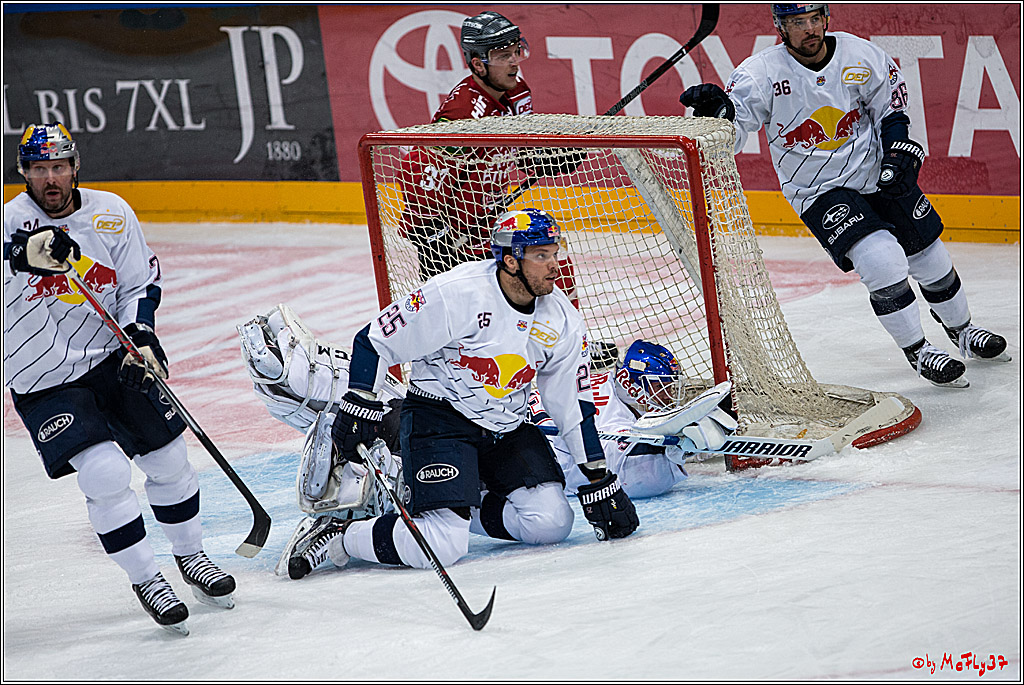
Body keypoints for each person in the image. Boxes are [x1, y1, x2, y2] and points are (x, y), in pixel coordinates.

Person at [283, 208, 639, 579]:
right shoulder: (456, 294)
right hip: (441, 421)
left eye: (554, 252)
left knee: (550, 522)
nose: (553, 265)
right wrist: (358, 400)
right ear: (510, 260)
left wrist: (598, 477)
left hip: (505, 427)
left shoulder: (561, 318)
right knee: (441, 546)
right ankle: (341, 536)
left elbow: (571, 404)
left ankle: (453, 500)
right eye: (540, 255)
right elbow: (373, 341)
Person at [679, 3, 1009, 388]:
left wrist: (899, 151)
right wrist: (714, 115)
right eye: (797, 23)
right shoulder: (760, 73)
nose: (809, 29)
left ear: (826, 19)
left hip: (874, 173)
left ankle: (963, 330)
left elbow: (891, 109)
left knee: (929, 255)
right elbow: (731, 136)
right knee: (881, 259)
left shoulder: (861, 55)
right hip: (818, 190)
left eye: (814, 19)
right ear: (780, 27)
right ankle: (918, 351)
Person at [3, 123, 234, 636]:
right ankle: (147, 578)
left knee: (170, 458)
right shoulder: (8, 222)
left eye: (58, 167)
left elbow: (140, 282)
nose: (50, 179)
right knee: (104, 473)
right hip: (44, 377)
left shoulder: (111, 212)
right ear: (23, 172)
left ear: (75, 166)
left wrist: (142, 335)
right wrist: (21, 255)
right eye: (38, 169)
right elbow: (12, 249)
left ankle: (192, 556)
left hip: (113, 356)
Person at [400, 10, 582, 300]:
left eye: (516, 51)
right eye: (503, 56)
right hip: (459, 238)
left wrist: (545, 160)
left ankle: (571, 345)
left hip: (491, 223)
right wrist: (432, 240)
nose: (514, 62)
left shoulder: (519, 93)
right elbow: (416, 173)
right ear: (478, 64)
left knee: (552, 261)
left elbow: (515, 152)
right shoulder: (462, 115)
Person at [530, 339, 737, 499]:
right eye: (659, 386)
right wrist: (681, 446)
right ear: (631, 383)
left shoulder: (610, 388)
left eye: (671, 386)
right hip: (533, 466)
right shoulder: (609, 410)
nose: (668, 394)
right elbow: (625, 471)